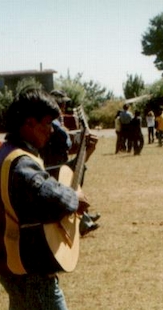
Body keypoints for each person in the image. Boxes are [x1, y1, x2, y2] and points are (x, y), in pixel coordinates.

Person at [0, 89, 89, 310]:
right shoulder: (21, 162)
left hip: (12, 261)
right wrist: (74, 198)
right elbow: (45, 193)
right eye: (47, 123)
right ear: (29, 123)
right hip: (30, 267)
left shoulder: (8, 151)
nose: (51, 130)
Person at [39, 90, 99, 236]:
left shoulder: (53, 122)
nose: (63, 107)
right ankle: (81, 219)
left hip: (55, 166)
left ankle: (83, 215)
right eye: (61, 104)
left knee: (81, 165)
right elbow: (66, 142)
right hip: (55, 169)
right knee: (79, 168)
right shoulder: (55, 125)